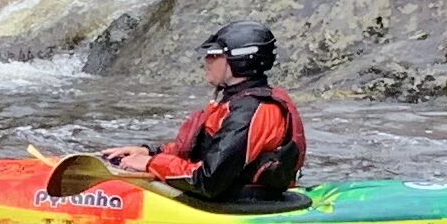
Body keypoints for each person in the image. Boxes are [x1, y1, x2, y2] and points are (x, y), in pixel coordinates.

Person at [61, 19, 306, 204]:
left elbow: (208, 181)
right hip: (228, 196)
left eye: (214, 55)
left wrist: (152, 164)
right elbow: (202, 149)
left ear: (241, 60)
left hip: (239, 204)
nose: (206, 61)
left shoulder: (251, 111)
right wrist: (150, 152)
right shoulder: (236, 101)